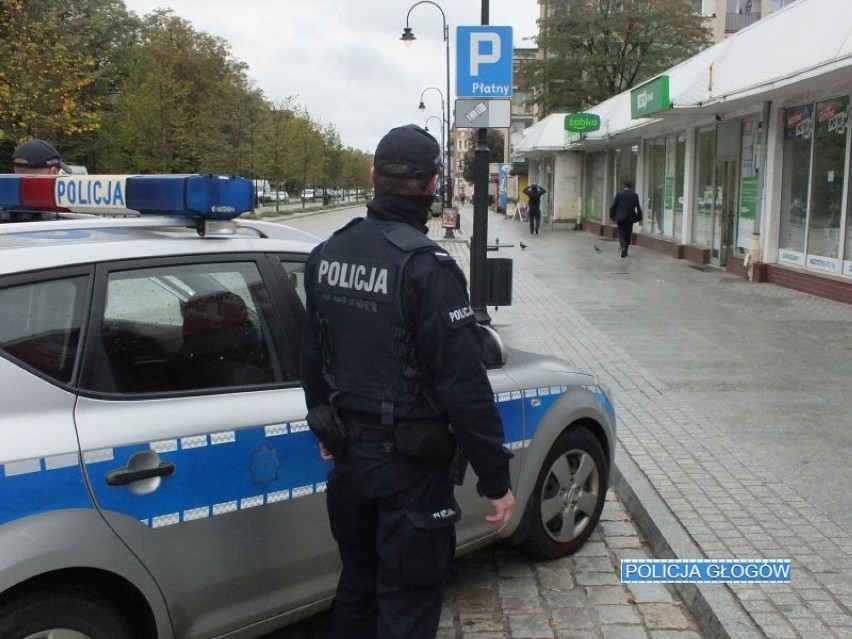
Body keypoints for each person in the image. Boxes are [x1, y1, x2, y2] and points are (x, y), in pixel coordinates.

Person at [300, 124, 515, 639]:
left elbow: (311, 353)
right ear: (431, 184)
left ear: (373, 176)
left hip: (350, 463)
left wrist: (326, 426)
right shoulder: (428, 268)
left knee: (357, 589)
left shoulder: (327, 252)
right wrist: (496, 479)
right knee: (407, 604)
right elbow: (463, 385)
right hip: (411, 473)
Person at [609, 179, 643, 257]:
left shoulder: (619, 194)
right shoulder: (634, 195)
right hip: (630, 218)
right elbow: (638, 208)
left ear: (623, 186)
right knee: (628, 234)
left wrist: (612, 216)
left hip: (620, 218)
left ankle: (623, 247)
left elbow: (613, 206)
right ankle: (625, 249)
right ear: (630, 186)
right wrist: (640, 219)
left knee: (621, 234)